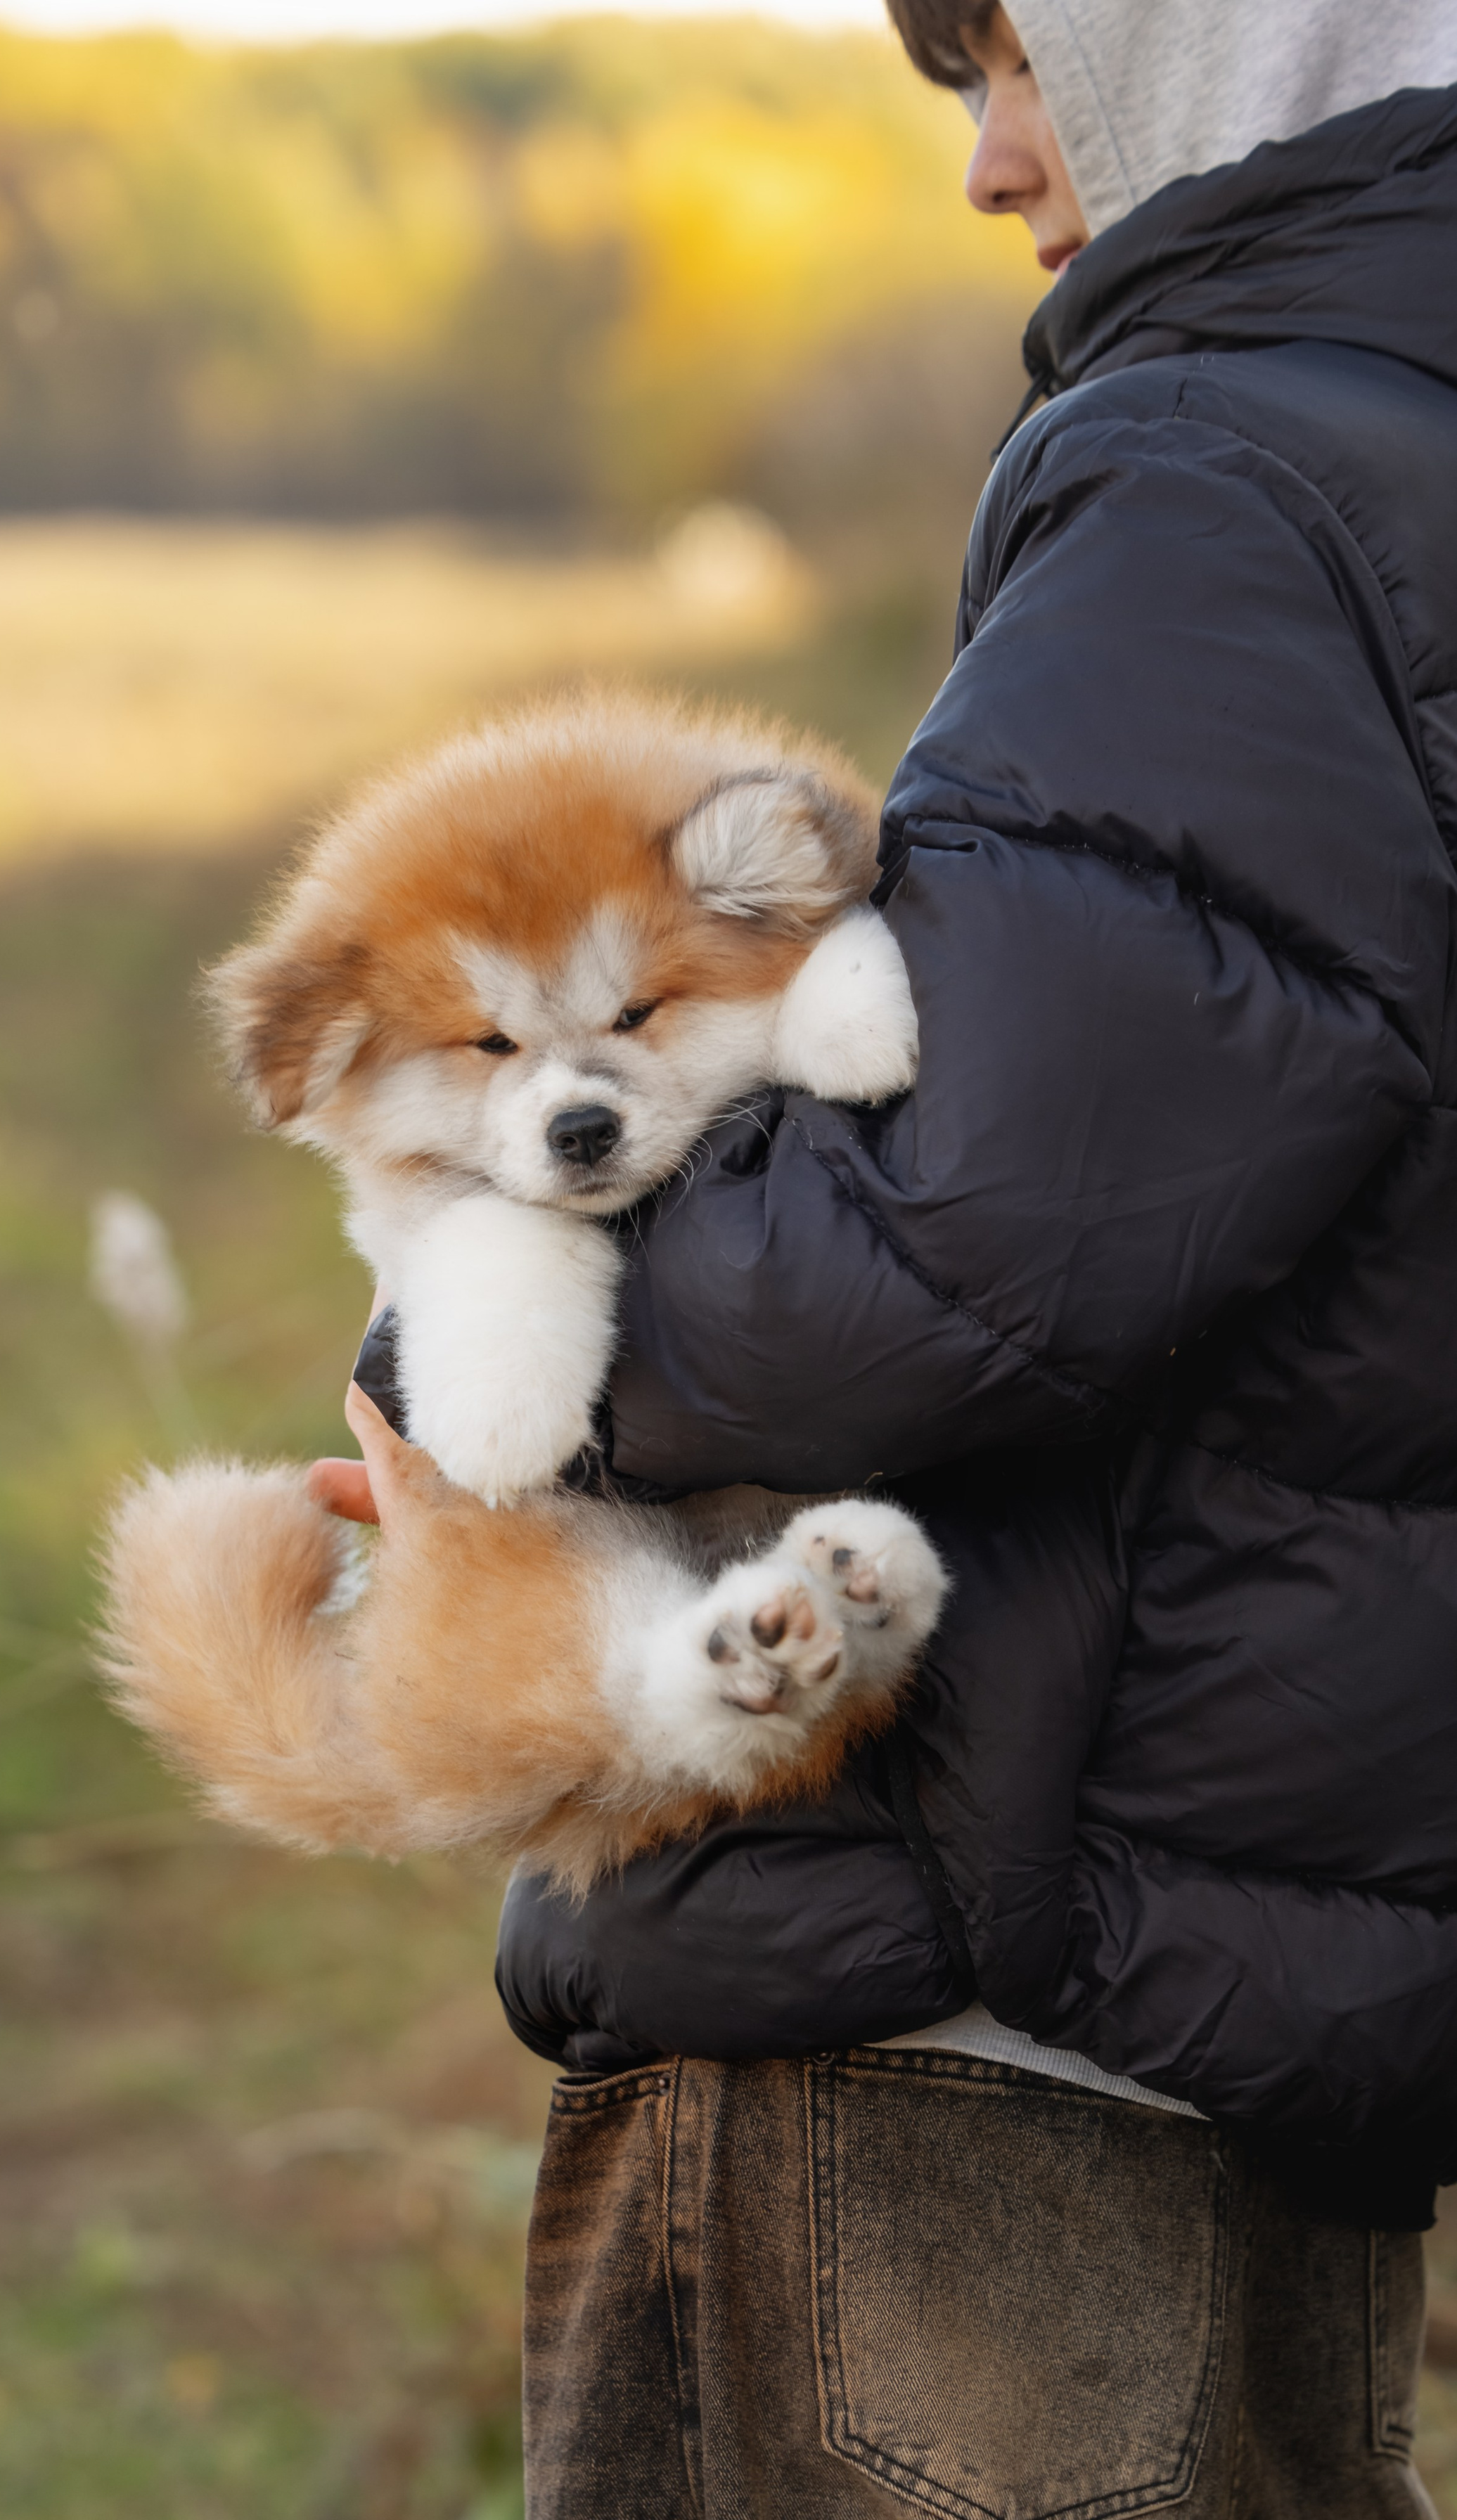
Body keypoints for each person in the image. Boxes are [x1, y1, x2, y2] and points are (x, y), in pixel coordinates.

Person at [477, 2, 1457, 2513]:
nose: (996, 161)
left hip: (958, 2014)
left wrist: (479, 1344)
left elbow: (959, 1233)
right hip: (1279, 1954)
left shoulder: (1233, 471)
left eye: (1024, 56)